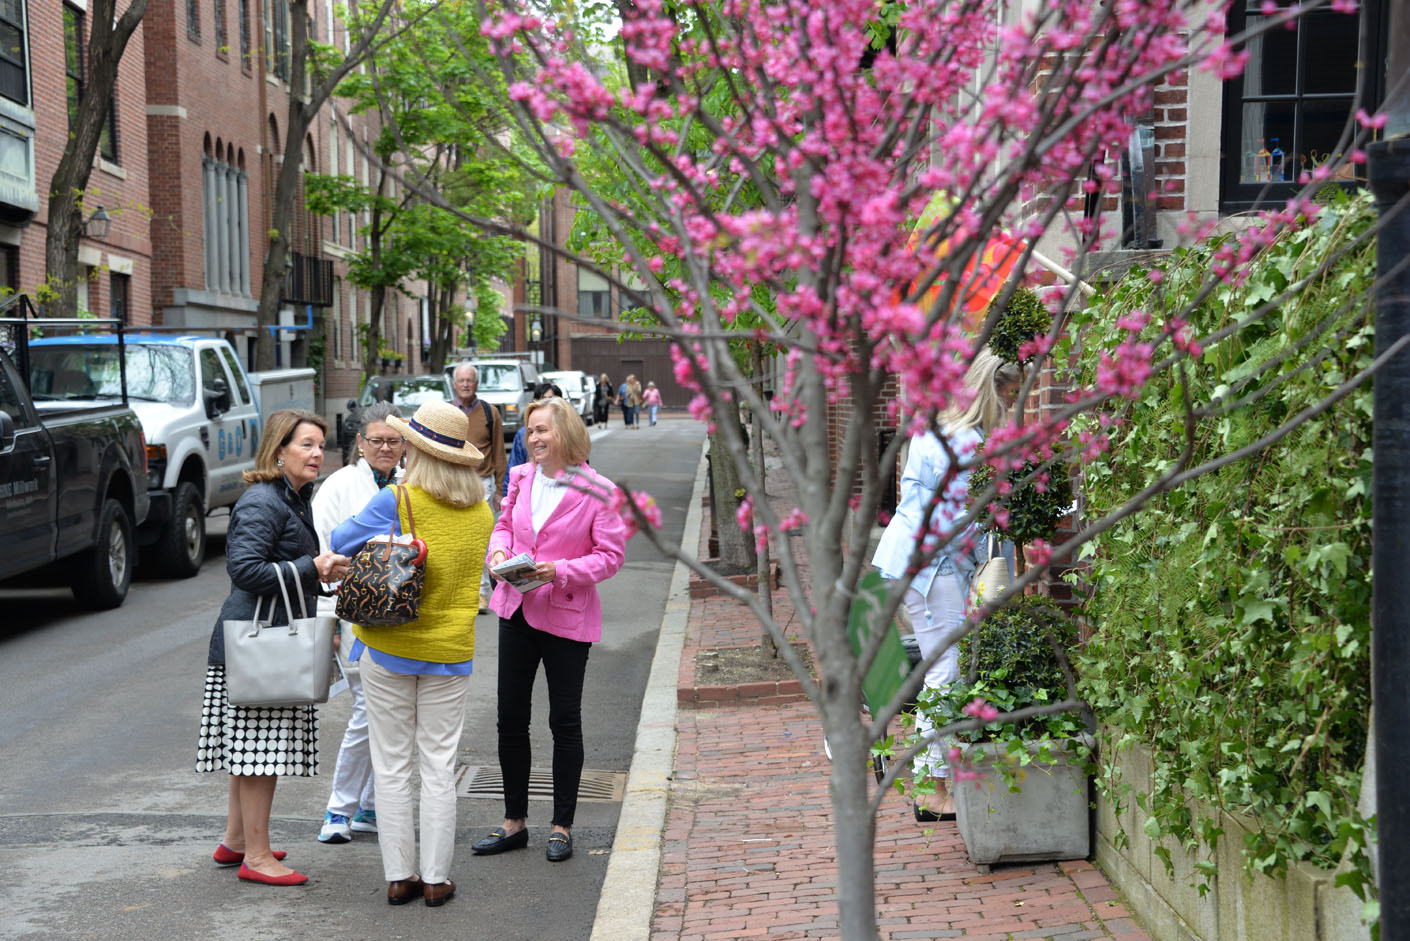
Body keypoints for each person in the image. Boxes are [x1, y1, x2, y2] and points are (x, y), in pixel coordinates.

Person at [330, 400, 493, 907]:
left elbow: (339, 539)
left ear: (415, 451)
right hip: (451, 650)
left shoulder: (398, 500)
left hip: (388, 645)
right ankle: (437, 877)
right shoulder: (483, 512)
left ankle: (400, 875)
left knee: (393, 764)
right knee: (439, 766)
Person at [197, 409, 350, 886]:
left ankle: (238, 840)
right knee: (260, 756)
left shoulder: (292, 496)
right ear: (278, 450)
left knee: (248, 751)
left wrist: (320, 572)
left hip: (257, 646)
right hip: (258, 648)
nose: (316, 453)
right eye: (306, 444)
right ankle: (257, 858)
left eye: (320, 445)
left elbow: (287, 566)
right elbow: (244, 570)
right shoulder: (263, 500)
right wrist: (312, 567)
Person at [471, 397, 628, 863]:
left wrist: (557, 570)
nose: (534, 438)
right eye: (531, 431)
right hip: (516, 609)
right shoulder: (519, 478)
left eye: (544, 430)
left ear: (568, 434)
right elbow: (502, 529)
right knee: (510, 719)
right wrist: (497, 555)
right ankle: (513, 821)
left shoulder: (599, 489)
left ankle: (561, 826)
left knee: (564, 721)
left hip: (565, 613)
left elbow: (610, 557)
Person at [870, 348, 1021, 822]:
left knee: (941, 671)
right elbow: (958, 520)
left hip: (917, 563)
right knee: (944, 674)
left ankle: (933, 782)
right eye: (1010, 397)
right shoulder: (965, 444)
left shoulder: (938, 431)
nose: (1011, 408)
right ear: (990, 393)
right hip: (934, 568)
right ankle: (933, 793)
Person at [311, 401, 406, 844]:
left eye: (394, 440)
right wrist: (328, 621)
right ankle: (338, 809)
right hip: (354, 612)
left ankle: (367, 806)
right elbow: (325, 554)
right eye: (376, 440)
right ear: (360, 444)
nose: (385, 447)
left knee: (390, 715)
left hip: (405, 614)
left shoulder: (412, 485)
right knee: (369, 709)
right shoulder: (339, 486)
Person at [450, 363, 506, 613]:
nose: (465, 384)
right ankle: (459, 593)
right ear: (454, 383)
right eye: (461, 380)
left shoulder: (489, 412)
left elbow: (498, 452)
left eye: (469, 380)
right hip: (451, 483)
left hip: (481, 483)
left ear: (476, 384)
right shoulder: (446, 412)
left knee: (481, 540)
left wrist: (501, 490)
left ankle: (482, 592)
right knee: (455, 540)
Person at [502, 381, 563, 498]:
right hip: (530, 497)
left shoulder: (570, 432)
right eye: (543, 400)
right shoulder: (522, 435)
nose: (547, 405)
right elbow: (513, 472)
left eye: (552, 400)